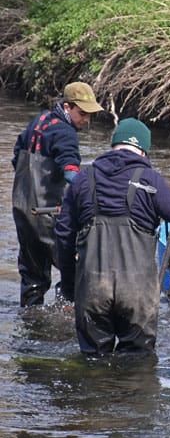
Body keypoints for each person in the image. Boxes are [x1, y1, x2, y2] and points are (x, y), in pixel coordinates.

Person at [55, 118, 170, 355]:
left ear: (113, 145)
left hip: (92, 290)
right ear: (144, 151)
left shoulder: (82, 180)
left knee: (92, 364)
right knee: (137, 366)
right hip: (136, 295)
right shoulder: (150, 179)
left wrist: (69, 286)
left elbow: (63, 237)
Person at [11, 81, 104, 307]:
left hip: (22, 210)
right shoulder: (66, 133)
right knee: (75, 267)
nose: (86, 120)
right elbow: (71, 173)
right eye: (82, 113)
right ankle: (65, 316)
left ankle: (31, 320)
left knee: (33, 276)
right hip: (49, 214)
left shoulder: (38, 121)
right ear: (67, 107)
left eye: (90, 115)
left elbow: (17, 156)